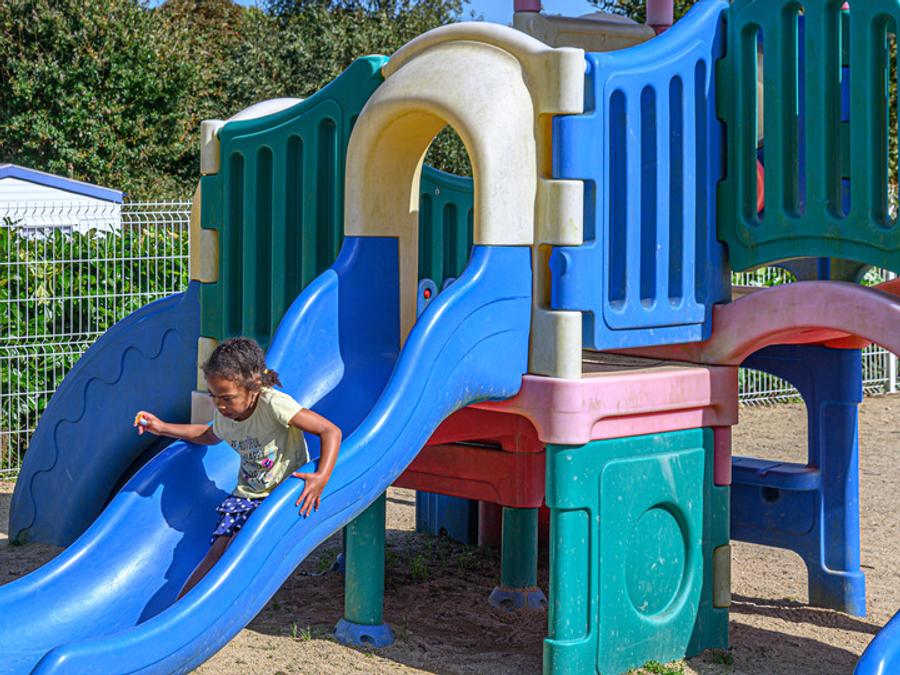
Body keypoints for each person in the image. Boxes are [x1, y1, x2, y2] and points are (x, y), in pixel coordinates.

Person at [134, 337, 341, 599]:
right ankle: (182, 608)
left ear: (253, 388)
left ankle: (212, 602)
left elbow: (330, 431)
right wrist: (162, 427)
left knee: (236, 547)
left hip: (280, 495)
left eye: (227, 398)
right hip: (246, 496)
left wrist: (321, 476)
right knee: (216, 551)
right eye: (214, 396)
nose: (220, 405)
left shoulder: (273, 404)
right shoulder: (225, 415)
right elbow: (208, 435)